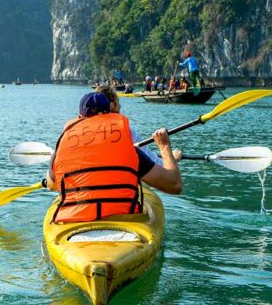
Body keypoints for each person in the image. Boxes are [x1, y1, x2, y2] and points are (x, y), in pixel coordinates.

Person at [46, 92, 182, 223]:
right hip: (123, 219)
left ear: (79, 118)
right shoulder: (130, 151)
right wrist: (164, 147)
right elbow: (174, 185)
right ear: (109, 114)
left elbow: (51, 185)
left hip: (74, 221)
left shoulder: (61, 149)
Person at [95, 85, 182, 166]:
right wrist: (170, 155)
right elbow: (158, 165)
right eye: (118, 101)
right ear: (112, 105)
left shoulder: (86, 131)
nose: (120, 105)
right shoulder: (126, 131)